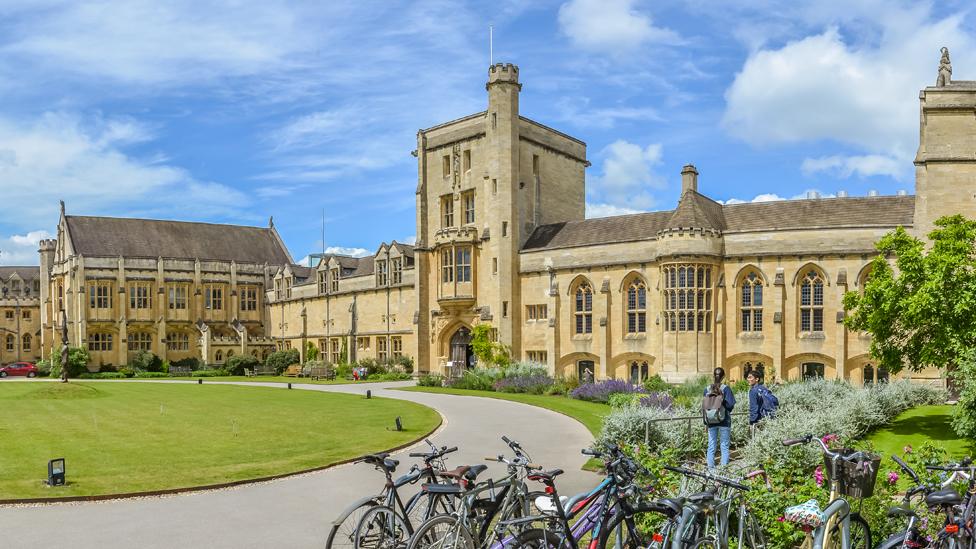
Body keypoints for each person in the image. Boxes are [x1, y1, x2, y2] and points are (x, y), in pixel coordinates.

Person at [702, 367, 735, 468]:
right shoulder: (726, 389)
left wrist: (706, 422)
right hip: (724, 421)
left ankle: (711, 471)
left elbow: (704, 407)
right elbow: (730, 406)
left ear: (713, 376)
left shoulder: (707, 389)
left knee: (711, 446)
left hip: (711, 422)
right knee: (724, 446)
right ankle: (723, 471)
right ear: (723, 376)